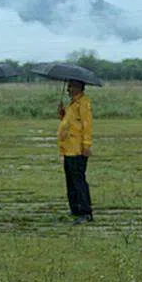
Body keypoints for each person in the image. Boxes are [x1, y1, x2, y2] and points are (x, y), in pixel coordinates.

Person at [58, 79, 94, 224]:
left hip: (78, 149)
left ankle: (85, 212)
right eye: (68, 86)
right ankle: (75, 210)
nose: (68, 89)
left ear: (79, 87)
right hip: (68, 148)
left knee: (78, 181)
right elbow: (70, 123)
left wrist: (86, 145)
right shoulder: (72, 104)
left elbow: (87, 125)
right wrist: (62, 114)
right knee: (70, 181)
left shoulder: (84, 103)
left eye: (71, 86)